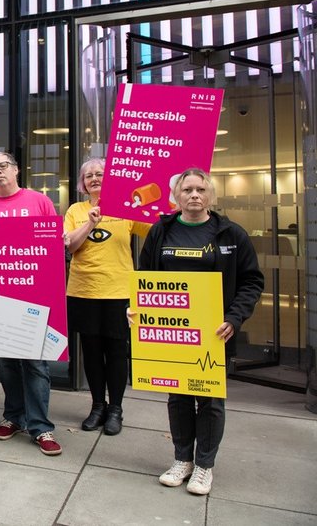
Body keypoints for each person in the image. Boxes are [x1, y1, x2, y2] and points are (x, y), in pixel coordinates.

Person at [138, 168, 262, 496]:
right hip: (173, 333)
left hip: (214, 333)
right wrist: (137, 307)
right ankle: (182, 460)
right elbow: (144, 276)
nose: (194, 195)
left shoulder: (231, 234)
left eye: (200, 189)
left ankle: (204, 465)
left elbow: (252, 281)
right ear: (176, 196)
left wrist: (234, 318)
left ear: (210, 195)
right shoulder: (160, 231)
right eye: (187, 190)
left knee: (210, 401)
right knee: (178, 397)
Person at [0, 150, 62, 456]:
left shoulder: (39, 202)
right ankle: (13, 417)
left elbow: (54, 247)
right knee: (7, 364)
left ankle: (41, 426)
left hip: (35, 296)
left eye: (3, 166)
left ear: (15, 170)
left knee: (36, 364)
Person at [64, 158, 149, 435]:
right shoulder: (76, 210)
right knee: (90, 352)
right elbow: (69, 246)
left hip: (118, 291)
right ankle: (97, 406)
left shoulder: (126, 208)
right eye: (88, 175)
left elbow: (154, 228)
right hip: (83, 290)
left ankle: (116, 410)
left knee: (116, 352)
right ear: (82, 183)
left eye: (99, 174)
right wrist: (89, 224)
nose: (94, 178)